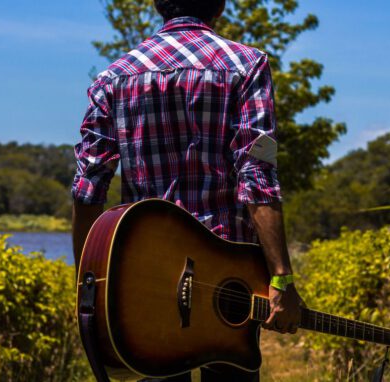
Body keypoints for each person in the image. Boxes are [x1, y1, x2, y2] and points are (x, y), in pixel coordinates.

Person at [71, 0, 305, 380]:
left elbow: (88, 188)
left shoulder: (112, 78)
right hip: (229, 281)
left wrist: (90, 288)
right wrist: (281, 278)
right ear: (221, 4)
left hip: (146, 278)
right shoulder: (246, 66)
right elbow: (257, 174)